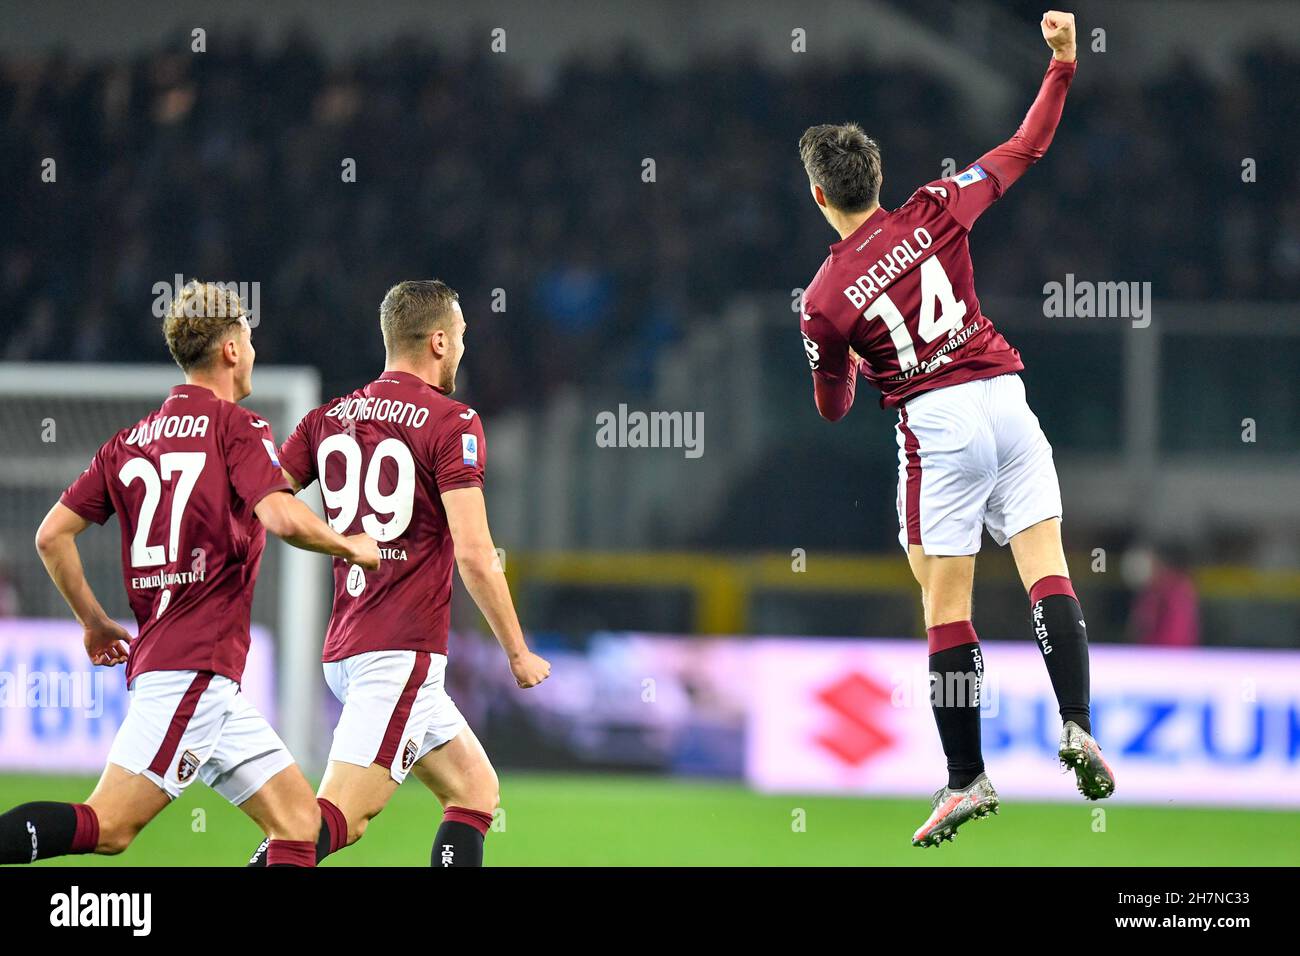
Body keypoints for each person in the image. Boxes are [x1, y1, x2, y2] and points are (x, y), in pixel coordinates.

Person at [795, 11, 1114, 847]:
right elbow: (1023, 148)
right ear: (879, 177)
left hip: (937, 423)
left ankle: (967, 777)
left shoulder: (825, 301)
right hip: (1008, 396)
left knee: (945, 603)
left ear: (821, 195)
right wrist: (1062, 65)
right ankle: (1077, 723)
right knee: (1047, 570)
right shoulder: (938, 205)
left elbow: (831, 410)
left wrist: (861, 364)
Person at [0, 281, 379, 866]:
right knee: (110, 827)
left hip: (195, 674)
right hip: (193, 669)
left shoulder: (127, 443)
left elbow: (51, 535)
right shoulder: (237, 427)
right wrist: (350, 545)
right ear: (230, 349)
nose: (253, 353)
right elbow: (281, 517)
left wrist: (94, 623)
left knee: (300, 827)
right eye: (249, 340)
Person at [248, 279, 550, 868]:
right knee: (329, 821)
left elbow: (266, 504)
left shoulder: (326, 418)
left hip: (348, 647)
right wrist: (517, 650)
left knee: (474, 791)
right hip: (399, 651)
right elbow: (473, 551)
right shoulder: (452, 421)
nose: (463, 347)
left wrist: (334, 541)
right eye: (461, 336)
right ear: (438, 341)